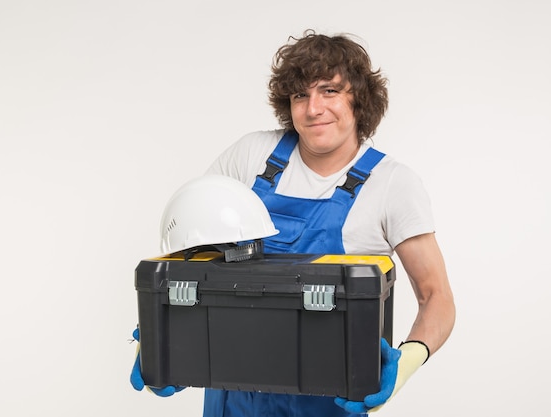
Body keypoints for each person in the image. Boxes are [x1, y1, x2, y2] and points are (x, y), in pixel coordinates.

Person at [132, 30, 455, 417]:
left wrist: (407, 362)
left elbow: (437, 297)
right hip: (234, 399)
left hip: (330, 403)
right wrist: (162, 341)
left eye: (329, 91)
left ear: (360, 98)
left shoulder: (392, 184)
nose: (313, 108)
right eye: (300, 95)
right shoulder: (250, 156)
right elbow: (190, 263)